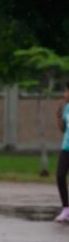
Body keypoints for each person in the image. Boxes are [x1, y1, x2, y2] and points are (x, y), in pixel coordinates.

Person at [56, 82, 69, 224]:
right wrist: (59, 116)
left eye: (66, 91)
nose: (64, 94)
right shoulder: (66, 108)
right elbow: (63, 129)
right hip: (66, 147)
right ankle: (66, 209)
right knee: (60, 176)